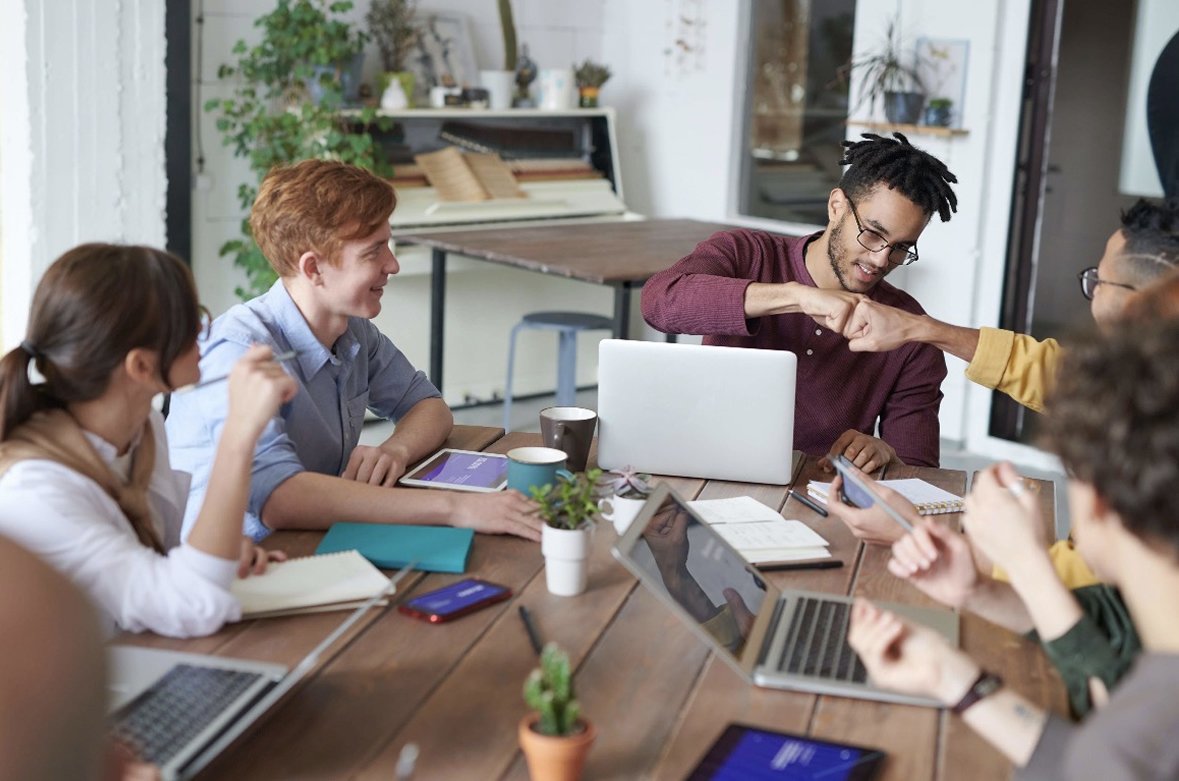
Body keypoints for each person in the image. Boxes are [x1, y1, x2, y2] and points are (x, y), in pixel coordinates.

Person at [847, 318, 1179, 779]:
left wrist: (1026, 563)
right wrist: (954, 673)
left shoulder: (1146, 734)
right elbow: (1098, 733)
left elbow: (1110, 750)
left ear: (1099, 503)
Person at [167, 160, 541, 542]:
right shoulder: (238, 352)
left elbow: (428, 406)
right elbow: (279, 499)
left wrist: (394, 450)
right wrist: (455, 508)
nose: (392, 264)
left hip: (313, 538)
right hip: (236, 569)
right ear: (313, 269)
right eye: (374, 251)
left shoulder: (352, 329)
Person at [835, 201, 1179, 582]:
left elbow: (1088, 587)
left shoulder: (1156, 440)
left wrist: (914, 532)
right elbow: (1049, 368)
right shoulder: (1153, 376)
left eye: (1100, 280)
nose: (1093, 292)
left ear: (1140, 303)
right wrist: (922, 328)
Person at [0, 244, 296, 638]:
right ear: (140, 366)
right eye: (190, 323)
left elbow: (163, 568)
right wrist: (238, 435)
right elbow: (190, 606)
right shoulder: (37, 493)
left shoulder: (144, 428)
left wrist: (221, 556)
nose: (204, 332)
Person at [641, 133, 957, 471]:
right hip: (702, 466)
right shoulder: (745, 254)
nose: (881, 260)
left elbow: (919, 469)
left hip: (815, 500)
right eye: (873, 234)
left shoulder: (908, 329)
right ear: (837, 207)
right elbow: (661, 302)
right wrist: (798, 297)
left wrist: (885, 452)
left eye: (900, 248)